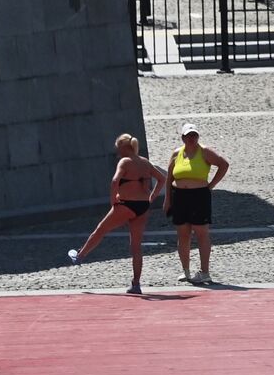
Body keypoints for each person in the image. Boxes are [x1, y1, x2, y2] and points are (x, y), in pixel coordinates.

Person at [68, 134, 167, 295]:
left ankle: (79, 256)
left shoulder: (125, 162)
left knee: (101, 230)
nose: (117, 153)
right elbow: (162, 179)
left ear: (123, 147)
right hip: (143, 206)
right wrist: (152, 196)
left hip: (125, 204)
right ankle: (136, 284)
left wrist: (113, 199)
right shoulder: (144, 162)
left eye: (118, 149)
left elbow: (115, 181)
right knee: (136, 246)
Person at [164, 123, 229, 284]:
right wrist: (167, 199)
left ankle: (204, 272)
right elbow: (169, 177)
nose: (192, 138)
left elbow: (223, 164)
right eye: (189, 135)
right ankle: (186, 271)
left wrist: (211, 185)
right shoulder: (177, 153)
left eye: (195, 135)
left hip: (199, 196)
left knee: (202, 233)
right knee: (183, 234)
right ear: (183, 138)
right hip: (179, 195)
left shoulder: (205, 151)